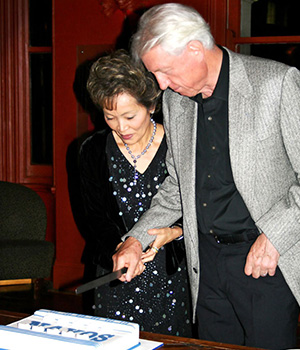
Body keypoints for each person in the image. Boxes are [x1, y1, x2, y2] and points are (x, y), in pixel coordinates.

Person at [112, 3, 300, 350]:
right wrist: (135, 239)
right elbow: (177, 187)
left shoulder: (277, 84)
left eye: (165, 71)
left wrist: (274, 236)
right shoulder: (175, 101)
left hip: (265, 262)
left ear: (195, 49)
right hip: (207, 266)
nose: (161, 84)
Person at [79, 49, 193, 337]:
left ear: (151, 105)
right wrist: (120, 251)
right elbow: (92, 218)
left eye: (130, 116)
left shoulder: (180, 145)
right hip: (115, 274)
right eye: (110, 117)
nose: (121, 127)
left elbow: (199, 208)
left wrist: (176, 232)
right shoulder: (92, 151)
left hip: (172, 277)